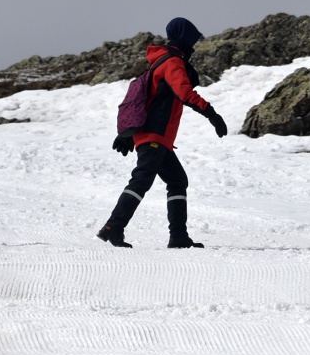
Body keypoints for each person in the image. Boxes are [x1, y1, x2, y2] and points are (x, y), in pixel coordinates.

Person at [97, 17, 227, 248]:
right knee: (141, 180)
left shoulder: (160, 62)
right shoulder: (172, 62)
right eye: (193, 39)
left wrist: (128, 134)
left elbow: (147, 100)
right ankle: (113, 226)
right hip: (154, 135)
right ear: (185, 38)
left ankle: (178, 237)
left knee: (177, 181)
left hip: (157, 137)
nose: (194, 45)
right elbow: (184, 93)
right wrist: (212, 115)